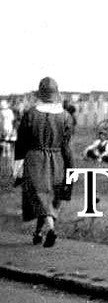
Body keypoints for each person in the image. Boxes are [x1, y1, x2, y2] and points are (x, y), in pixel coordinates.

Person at [15, 77, 74, 247]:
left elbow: (21, 143)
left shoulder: (30, 114)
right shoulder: (66, 117)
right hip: (58, 160)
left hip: (35, 159)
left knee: (40, 197)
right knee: (51, 197)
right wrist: (71, 170)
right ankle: (38, 232)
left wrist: (17, 168)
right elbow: (67, 147)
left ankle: (51, 229)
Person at [0, 99, 14, 179]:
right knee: (9, 151)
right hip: (10, 131)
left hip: (3, 132)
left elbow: (1, 123)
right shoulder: (10, 111)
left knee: (3, 151)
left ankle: (4, 171)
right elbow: (12, 121)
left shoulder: (1, 112)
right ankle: (10, 170)